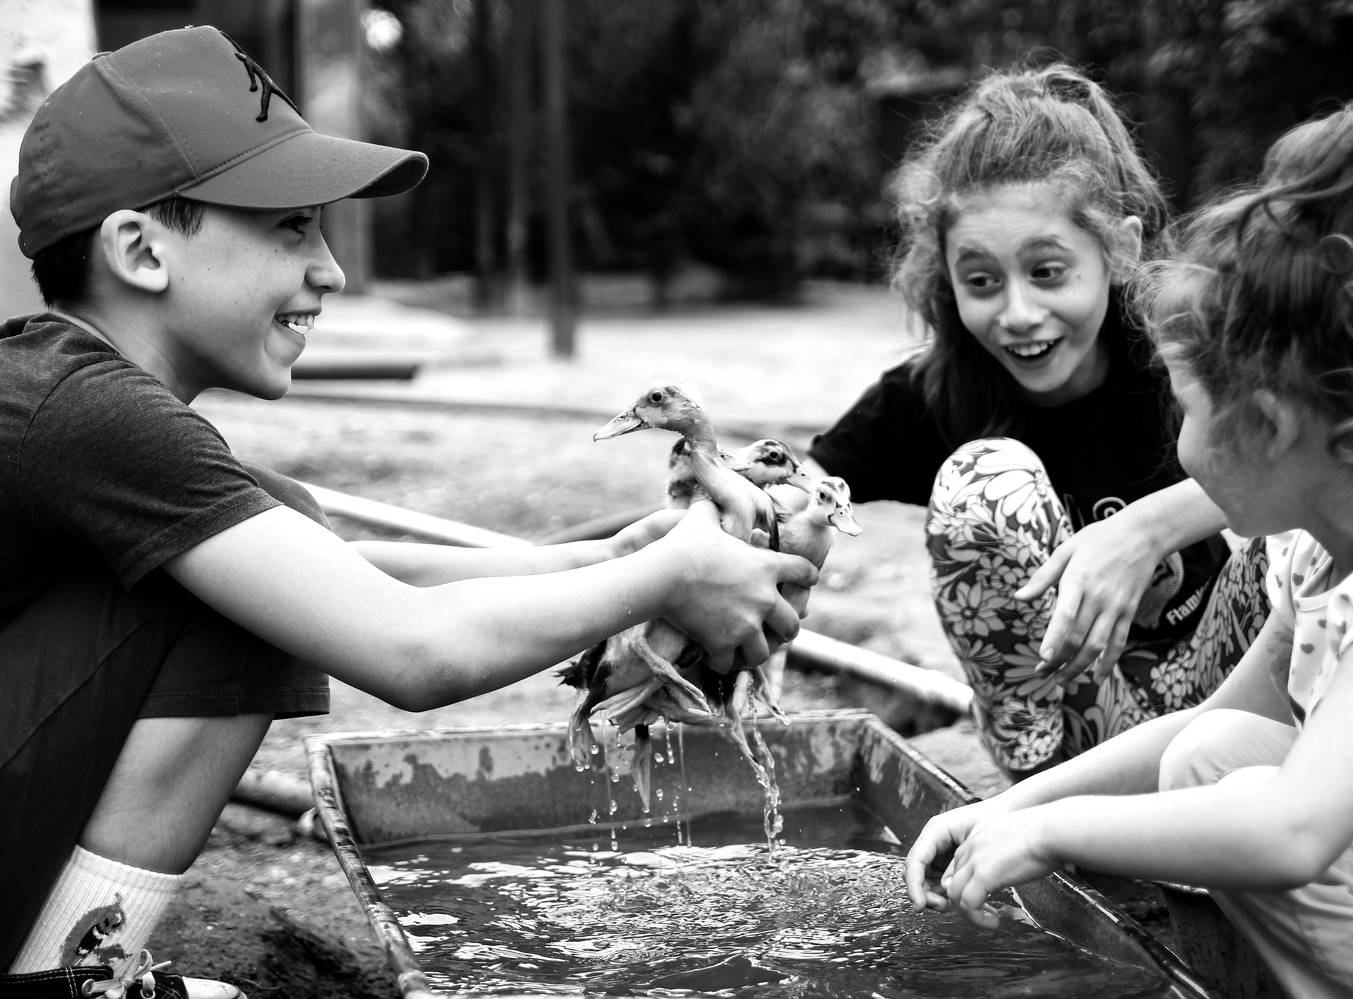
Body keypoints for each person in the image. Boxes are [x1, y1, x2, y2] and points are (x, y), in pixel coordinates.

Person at [0, 26, 817, 999]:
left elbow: (342, 575)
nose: (331, 270)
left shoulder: (71, 397)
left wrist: (619, 556)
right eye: (291, 228)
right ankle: (69, 977)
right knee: (247, 606)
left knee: (276, 539)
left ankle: (78, 964)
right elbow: (410, 648)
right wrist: (671, 577)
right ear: (141, 250)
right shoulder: (89, 414)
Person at [904, 100, 1353, 998]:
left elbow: (1295, 830)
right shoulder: (1319, 556)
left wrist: (1054, 835)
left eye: (1187, 408)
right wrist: (1009, 805)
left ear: (1267, 427)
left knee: (1254, 804)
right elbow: (1197, 727)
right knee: (1212, 754)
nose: (1177, 440)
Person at [807, 63, 1268, 779]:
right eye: (982, 281)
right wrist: (717, 527)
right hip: (1070, 729)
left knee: (1305, 544)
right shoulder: (937, 392)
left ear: (1120, 249)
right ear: (947, 276)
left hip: (1227, 699)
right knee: (984, 475)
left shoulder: (1176, 356)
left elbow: (1310, 458)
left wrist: (1140, 532)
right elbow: (807, 483)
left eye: (1047, 271)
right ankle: (1048, 796)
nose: (1018, 314)